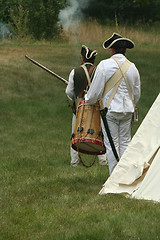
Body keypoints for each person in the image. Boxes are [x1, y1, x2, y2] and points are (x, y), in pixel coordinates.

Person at [85, 33, 141, 175]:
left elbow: (94, 94)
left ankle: (114, 178)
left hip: (110, 111)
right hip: (128, 111)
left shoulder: (104, 65)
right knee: (126, 144)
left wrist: (87, 98)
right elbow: (136, 94)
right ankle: (126, 176)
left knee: (111, 145)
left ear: (112, 50)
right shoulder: (132, 67)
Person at [65, 45, 107, 167]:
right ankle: (103, 159)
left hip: (80, 108)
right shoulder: (100, 71)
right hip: (97, 107)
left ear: (82, 58)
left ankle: (74, 162)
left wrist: (75, 98)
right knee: (100, 132)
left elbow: (69, 92)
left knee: (75, 133)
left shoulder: (75, 72)